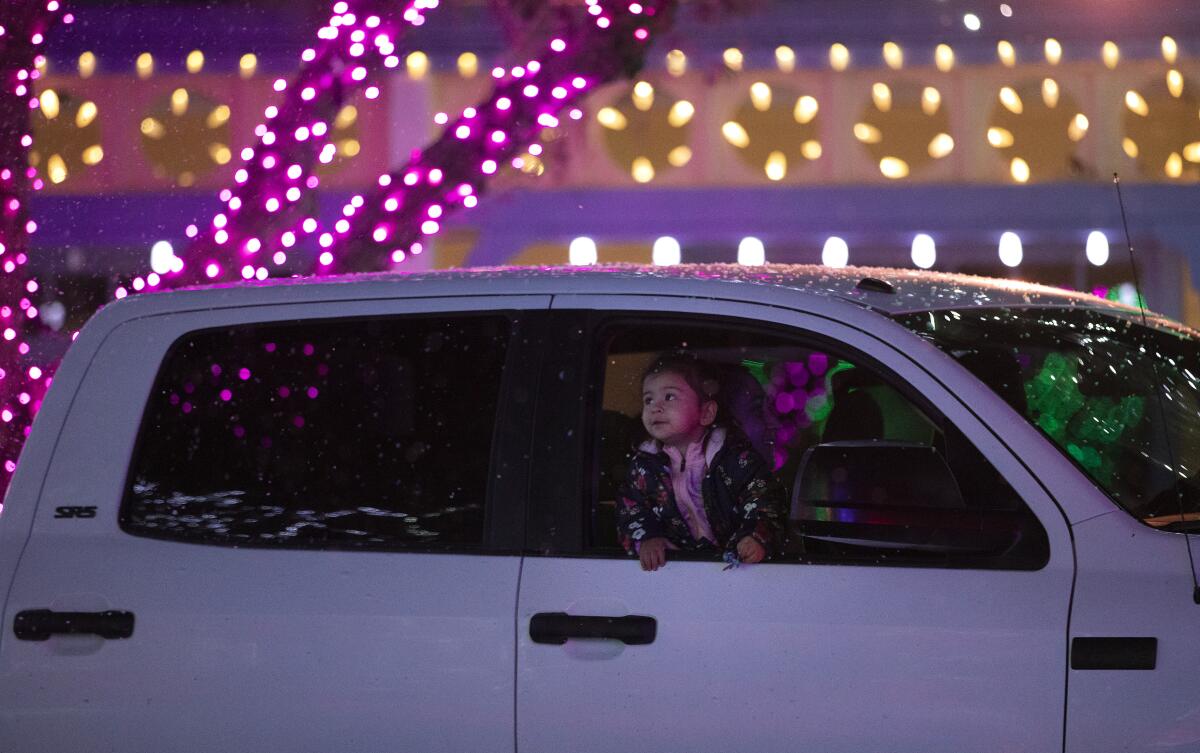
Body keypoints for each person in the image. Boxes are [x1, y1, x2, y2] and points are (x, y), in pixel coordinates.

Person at [616, 351, 786, 571]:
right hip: (676, 575)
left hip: (733, 572)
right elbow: (630, 508)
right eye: (648, 399)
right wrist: (648, 538)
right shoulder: (644, 466)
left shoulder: (735, 460)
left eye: (669, 397)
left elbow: (767, 501)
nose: (654, 407)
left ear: (706, 412)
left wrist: (756, 536)